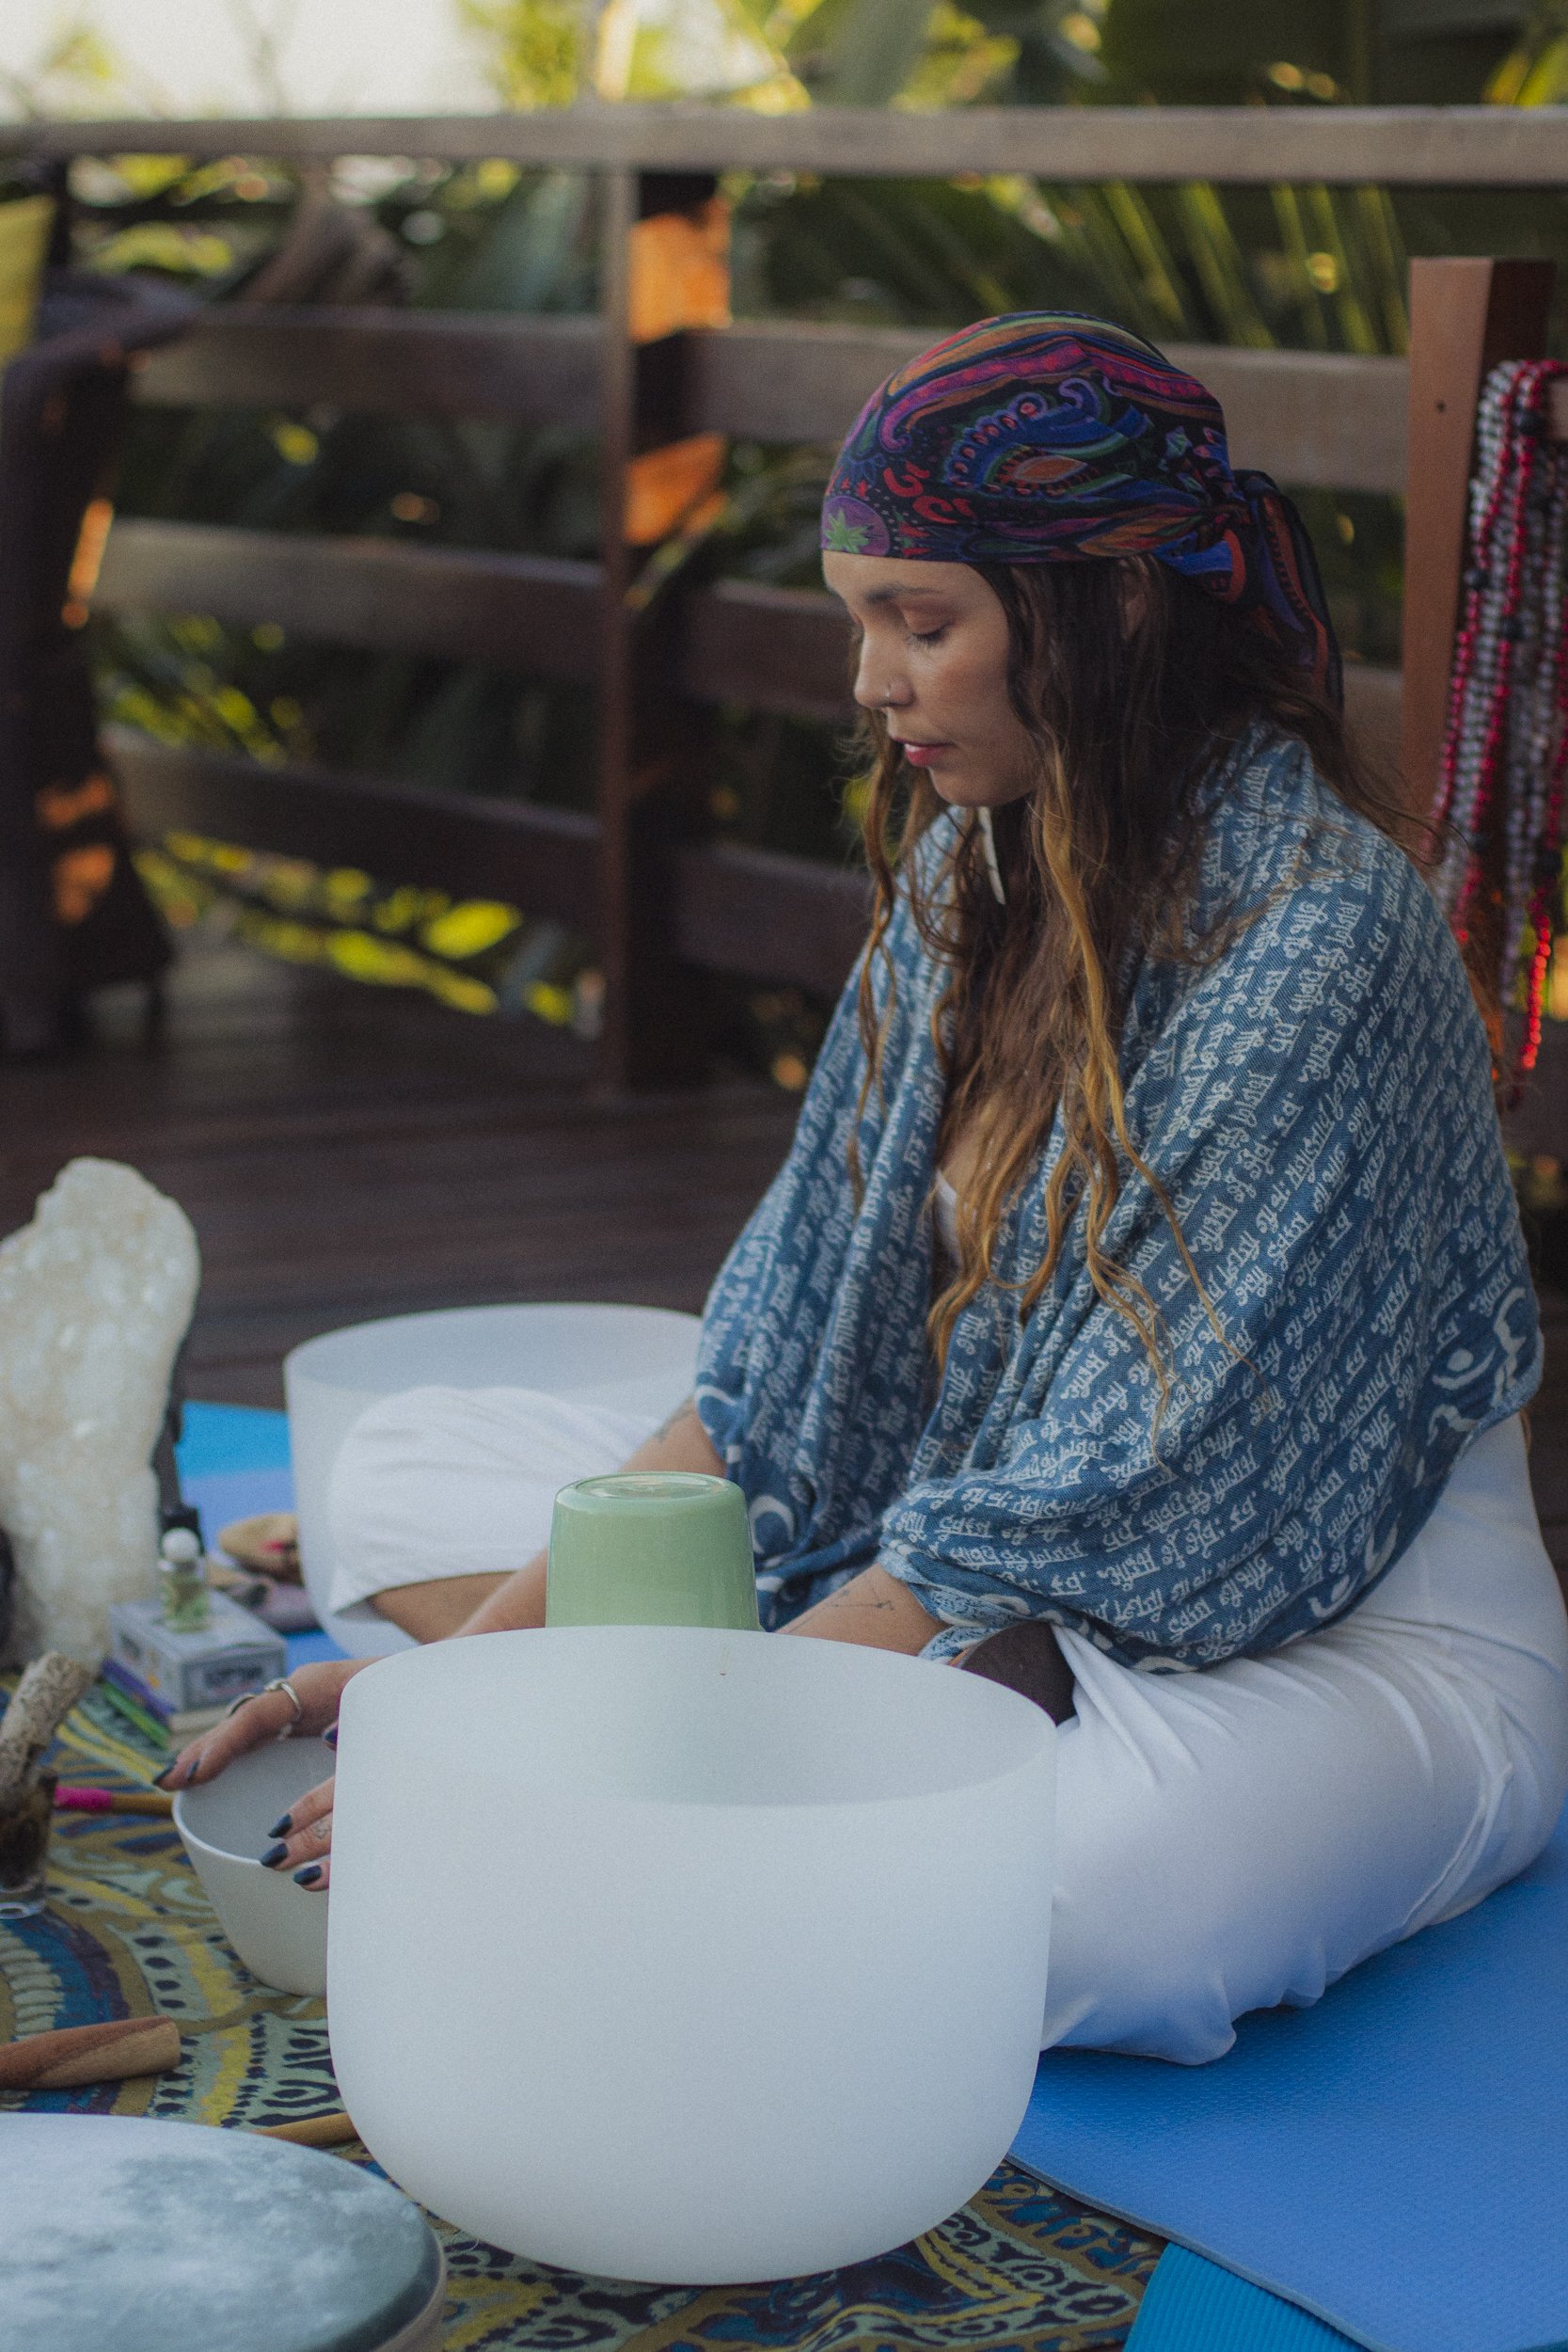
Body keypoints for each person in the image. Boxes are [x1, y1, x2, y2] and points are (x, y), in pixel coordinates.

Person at [165, 313, 1568, 2063]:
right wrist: (449, 1700)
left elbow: (1115, 1488)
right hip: (988, 1563)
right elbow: (768, 1374)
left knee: (1087, 1901)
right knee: (401, 1473)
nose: (872, 684)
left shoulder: (1318, 939)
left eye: (925, 622)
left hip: (1340, 1640)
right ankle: (852, 1734)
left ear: (1115, 609)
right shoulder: (973, 882)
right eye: (861, 623)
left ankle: (833, 1740)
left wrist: (551, 1773)